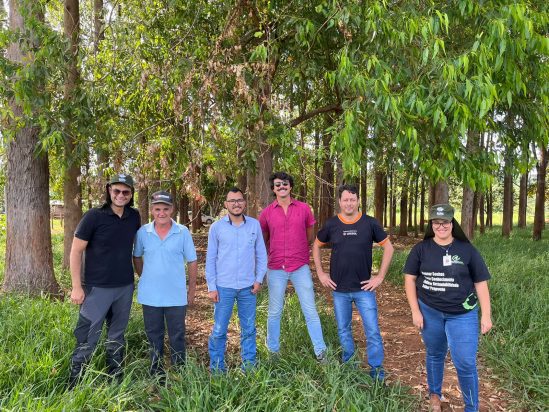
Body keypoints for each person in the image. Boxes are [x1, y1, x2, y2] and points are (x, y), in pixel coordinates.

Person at [403, 204, 493, 412]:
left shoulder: (467, 250)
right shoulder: (421, 249)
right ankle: (435, 395)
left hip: (462, 314)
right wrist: (415, 311)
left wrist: (486, 315)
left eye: (445, 222)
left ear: (452, 224)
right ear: (431, 225)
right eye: (436, 222)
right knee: (435, 353)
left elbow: (481, 282)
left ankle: (471, 407)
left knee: (465, 362)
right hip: (430, 311)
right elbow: (409, 280)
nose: (441, 226)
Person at [313, 184, 394, 380]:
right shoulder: (332, 224)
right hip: (339, 289)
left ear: (358, 201)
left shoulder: (370, 223)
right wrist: (321, 274)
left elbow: (389, 248)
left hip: (364, 289)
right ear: (340, 202)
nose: (349, 203)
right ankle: (349, 367)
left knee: (373, 331)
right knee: (344, 330)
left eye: (352, 199)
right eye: (345, 200)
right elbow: (316, 245)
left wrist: (380, 277)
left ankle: (376, 372)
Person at [68, 174, 141, 387]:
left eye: (125, 192)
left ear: (131, 194)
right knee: (87, 335)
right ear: (109, 191)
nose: (120, 195)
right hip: (96, 288)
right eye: (116, 191)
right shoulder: (93, 216)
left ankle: (115, 378)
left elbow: (137, 250)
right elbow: (75, 251)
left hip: (124, 287)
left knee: (117, 334)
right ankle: (75, 384)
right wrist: (76, 287)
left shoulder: (134, 216)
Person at [259, 172, 327, 361]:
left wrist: (299, 251)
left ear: (291, 186)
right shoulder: (266, 213)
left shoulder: (304, 209)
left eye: (285, 183)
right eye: (278, 184)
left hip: (300, 267)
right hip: (275, 268)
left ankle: (321, 352)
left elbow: (309, 236)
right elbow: (264, 239)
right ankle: (273, 352)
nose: (282, 186)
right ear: (273, 189)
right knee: (274, 312)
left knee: (310, 310)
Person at [133, 191, 197, 377]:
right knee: (154, 336)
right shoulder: (143, 232)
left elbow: (192, 261)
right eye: (158, 209)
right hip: (150, 296)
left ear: (172, 209)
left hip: (176, 296)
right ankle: (156, 373)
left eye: (166, 208)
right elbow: (136, 256)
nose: (162, 213)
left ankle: (179, 371)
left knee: (177, 335)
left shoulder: (182, 231)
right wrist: (144, 276)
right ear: (152, 210)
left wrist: (191, 291)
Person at [206, 187, 267, 371]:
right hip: (223, 287)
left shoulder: (254, 225)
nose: (236, 204)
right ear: (226, 205)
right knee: (219, 330)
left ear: (244, 202)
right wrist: (211, 286)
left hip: (248, 287)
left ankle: (248, 367)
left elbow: (262, 255)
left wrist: (259, 280)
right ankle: (217, 369)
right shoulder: (216, 227)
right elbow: (210, 259)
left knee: (248, 329)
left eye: (239, 200)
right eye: (232, 201)